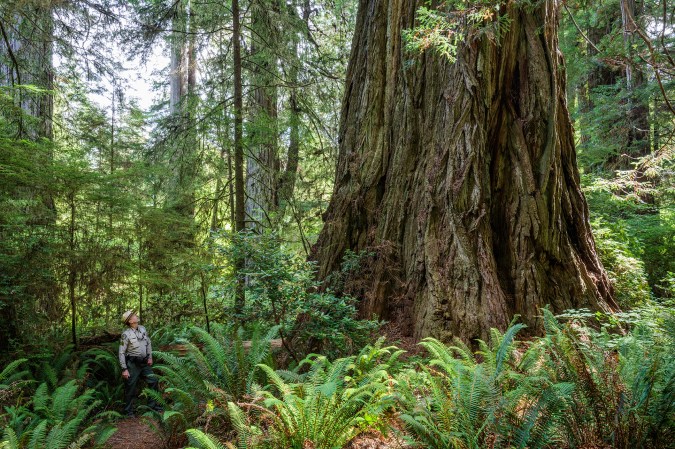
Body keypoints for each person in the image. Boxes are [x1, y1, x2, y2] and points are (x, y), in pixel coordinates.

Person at [118, 310, 162, 416]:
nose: (136, 316)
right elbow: (121, 352)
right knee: (130, 387)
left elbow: (148, 343)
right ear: (130, 321)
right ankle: (128, 411)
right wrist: (124, 369)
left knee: (153, 381)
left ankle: (152, 406)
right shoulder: (125, 334)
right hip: (132, 365)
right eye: (133, 316)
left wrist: (150, 357)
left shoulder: (143, 329)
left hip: (144, 363)